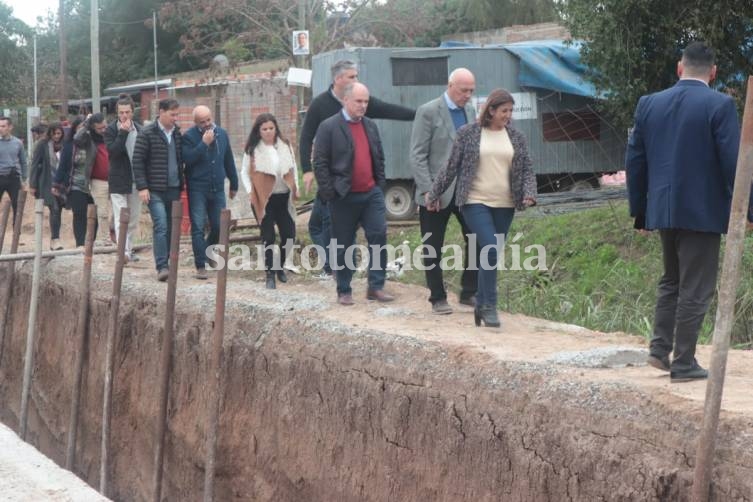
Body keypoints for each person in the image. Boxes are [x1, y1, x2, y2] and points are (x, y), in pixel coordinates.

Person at [626, 41, 745, 382]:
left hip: (662, 208)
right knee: (696, 286)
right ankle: (684, 362)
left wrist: (640, 211)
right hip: (703, 212)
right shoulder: (720, 104)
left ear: (680, 68)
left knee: (672, 280)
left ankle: (659, 350)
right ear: (714, 72)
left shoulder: (648, 103)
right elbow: (734, 163)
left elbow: (635, 161)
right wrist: (747, 209)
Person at [428, 88, 536, 328]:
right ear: (491, 110)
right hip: (474, 200)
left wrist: (529, 193)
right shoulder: (468, 133)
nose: (507, 115)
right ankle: (489, 306)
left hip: (505, 204)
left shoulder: (516, 137)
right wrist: (433, 193)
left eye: (510, 111)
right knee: (489, 247)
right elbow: (450, 167)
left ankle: (480, 305)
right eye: (503, 111)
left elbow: (527, 168)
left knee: (492, 254)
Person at [300, 59, 415, 279]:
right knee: (320, 225)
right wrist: (306, 169)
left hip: (358, 182)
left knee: (338, 226)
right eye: (352, 77)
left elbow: (388, 110)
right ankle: (335, 268)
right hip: (332, 179)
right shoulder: (320, 104)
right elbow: (306, 138)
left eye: (356, 76)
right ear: (338, 79)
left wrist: (419, 113)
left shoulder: (360, 102)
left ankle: (342, 270)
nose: (356, 80)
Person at [314, 82, 394, 305]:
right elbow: (320, 162)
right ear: (346, 100)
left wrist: (380, 186)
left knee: (378, 234)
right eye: (359, 101)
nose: (363, 105)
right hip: (343, 196)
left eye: (366, 101)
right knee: (344, 243)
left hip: (371, 193)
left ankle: (376, 286)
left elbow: (378, 156)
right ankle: (344, 289)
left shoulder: (370, 126)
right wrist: (330, 193)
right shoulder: (329, 127)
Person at [410, 68, 479, 315]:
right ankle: (437, 297)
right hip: (436, 193)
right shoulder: (428, 111)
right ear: (451, 86)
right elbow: (417, 155)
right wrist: (430, 190)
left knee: (477, 238)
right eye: (464, 90)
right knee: (433, 245)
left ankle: (469, 291)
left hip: (465, 191)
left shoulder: (470, 111)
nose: (468, 95)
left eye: (471, 90)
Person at [241, 113, 298, 289]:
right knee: (268, 236)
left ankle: (279, 265)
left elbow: (293, 167)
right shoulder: (253, 150)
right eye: (264, 129)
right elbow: (244, 172)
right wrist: (250, 191)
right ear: (259, 131)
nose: (268, 132)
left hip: (282, 197)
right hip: (263, 199)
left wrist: (296, 187)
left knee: (289, 235)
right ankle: (269, 274)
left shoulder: (285, 145)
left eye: (271, 128)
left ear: (275, 129)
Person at [182, 105, 238, 279]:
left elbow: (228, 159)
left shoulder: (222, 133)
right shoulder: (189, 137)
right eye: (202, 121)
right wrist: (203, 144)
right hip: (198, 187)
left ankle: (208, 251)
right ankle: (200, 265)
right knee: (198, 226)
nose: (207, 124)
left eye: (208, 119)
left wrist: (234, 183)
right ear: (196, 122)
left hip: (218, 187)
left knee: (219, 225)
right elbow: (187, 160)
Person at [133, 99, 184, 282]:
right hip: (154, 189)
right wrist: (142, 187)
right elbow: (137, 161)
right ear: (161, 112)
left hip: (173, 187)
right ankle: (162, 266)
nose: (175, 118)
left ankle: (168, 262)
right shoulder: (147, 133)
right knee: (161, 224)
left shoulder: (177, 134)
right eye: (172, 114)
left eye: (177, 115)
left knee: (170, 227)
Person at [105, 94, 143, 262]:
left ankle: (129, 248)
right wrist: (123, 133)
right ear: (117, 113)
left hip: (136, 181)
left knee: (133, 219)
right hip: (118, 180)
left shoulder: (141, 130)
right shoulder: (111, 130)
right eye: (121, 113)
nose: (124, 116)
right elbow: (113, 152)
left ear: (132, 112)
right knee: (122, 217)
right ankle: (123, 252)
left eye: (127, 112)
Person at [52, 116, 99, 247]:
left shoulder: (92, 144)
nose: (82, 132)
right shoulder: (69, 146)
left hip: (91, 185)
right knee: (79, 214)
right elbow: (62, 166)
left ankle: (91, 241)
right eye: (80, 128)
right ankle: (80, 243)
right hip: (75, 184)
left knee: (96, 216)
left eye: (85, 128)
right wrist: (56, 184)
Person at [29, 122, 65, 250]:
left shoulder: (64, 146)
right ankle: (55, 239)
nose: (56, 136)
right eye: (54, 133)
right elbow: (34, 164)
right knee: (54, 209)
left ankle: (54, 238)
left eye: (59, 133)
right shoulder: (42, 145)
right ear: (50, 133)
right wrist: (32, 185)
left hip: (61, 184)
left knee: (58, 211)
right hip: (47, 182)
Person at [0, 116, 28, 219]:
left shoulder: (18, 143)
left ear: (10, 127)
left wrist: (24, 179)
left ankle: (16, 233)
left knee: (17, 207)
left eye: (3, 126)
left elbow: (23, 162)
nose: (0, 128)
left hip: (14, 177)